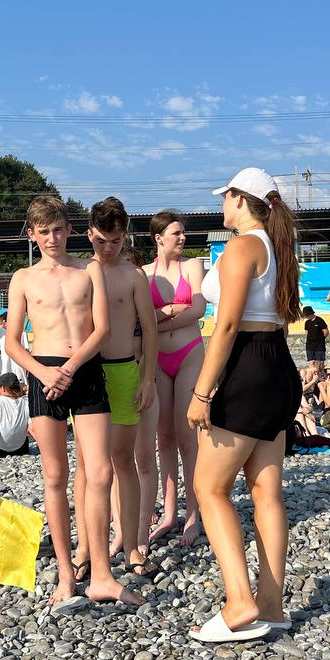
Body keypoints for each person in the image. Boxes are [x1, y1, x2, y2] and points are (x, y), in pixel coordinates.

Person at [6, 195, 141, 609]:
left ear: (69, 230)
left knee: (100, 472)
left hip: (84, 368)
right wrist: (45, 372)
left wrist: (71, 367)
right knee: (55, 475)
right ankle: (66, 574)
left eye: (59, 230)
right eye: (44, 232)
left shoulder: (89, 269)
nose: (53, 238)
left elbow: (102, 329)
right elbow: (12, 342)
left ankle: (102, 574)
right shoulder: (23, 278)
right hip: (44, 373)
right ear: (32, 235)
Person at [186, 167, 301, 643]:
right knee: (265, 491)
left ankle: (239, 601)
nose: (221, 205)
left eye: (225, 197)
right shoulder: (278, 247)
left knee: (209, 487)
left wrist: (201, 393)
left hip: (247, 365)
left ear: (238, 198)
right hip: (278, 364)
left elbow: (228, 326)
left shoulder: (242, 246)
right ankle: (272, 605)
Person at [73, 196, 159, 577]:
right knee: (87, 464)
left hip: (124, 369)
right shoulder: (79, 272)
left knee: (124, 459)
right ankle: (85, 546)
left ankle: (133, 544)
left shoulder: (133, 275)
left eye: (116, 241)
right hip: (89, 372)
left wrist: (148, 378)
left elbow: (150, 330)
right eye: (101, 241)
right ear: (89, 234)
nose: (108, 248)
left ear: (125, 237)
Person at [143, 209, 207, 547]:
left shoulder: (192, 266)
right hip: (157, 359)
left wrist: (158, 320)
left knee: (187, 435)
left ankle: (193, 513)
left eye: (183, 233)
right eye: (176, 233)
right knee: (163, 437)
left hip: (189, 353)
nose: (182, 238)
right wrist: (169, 310)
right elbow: (141, 319)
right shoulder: (143, 273)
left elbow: (198, 309)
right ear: (159, 238)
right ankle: (170, 512)